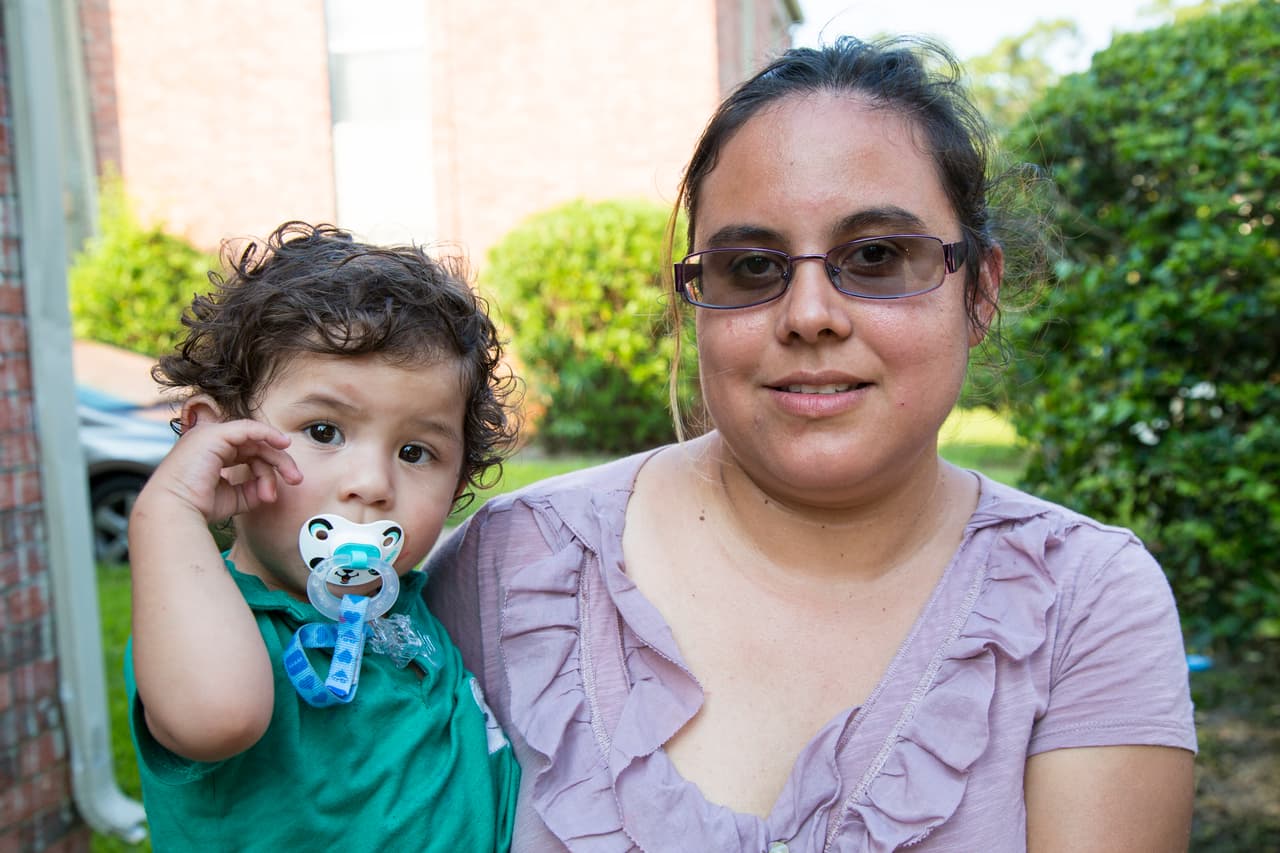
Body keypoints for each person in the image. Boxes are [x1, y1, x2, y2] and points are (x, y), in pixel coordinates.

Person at [425, 36, 1197, 852]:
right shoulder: (514, 570)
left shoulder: (1086, 603)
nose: (809, 313)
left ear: (981, 292)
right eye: (752, 267)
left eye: (874, 256)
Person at [125, 221, 520, 851]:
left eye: (416, 451)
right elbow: (217, 717)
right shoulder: (200, 624)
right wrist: (167, 511)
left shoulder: (415, 600)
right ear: (219, 444)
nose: (371, 483)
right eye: (325, 431)